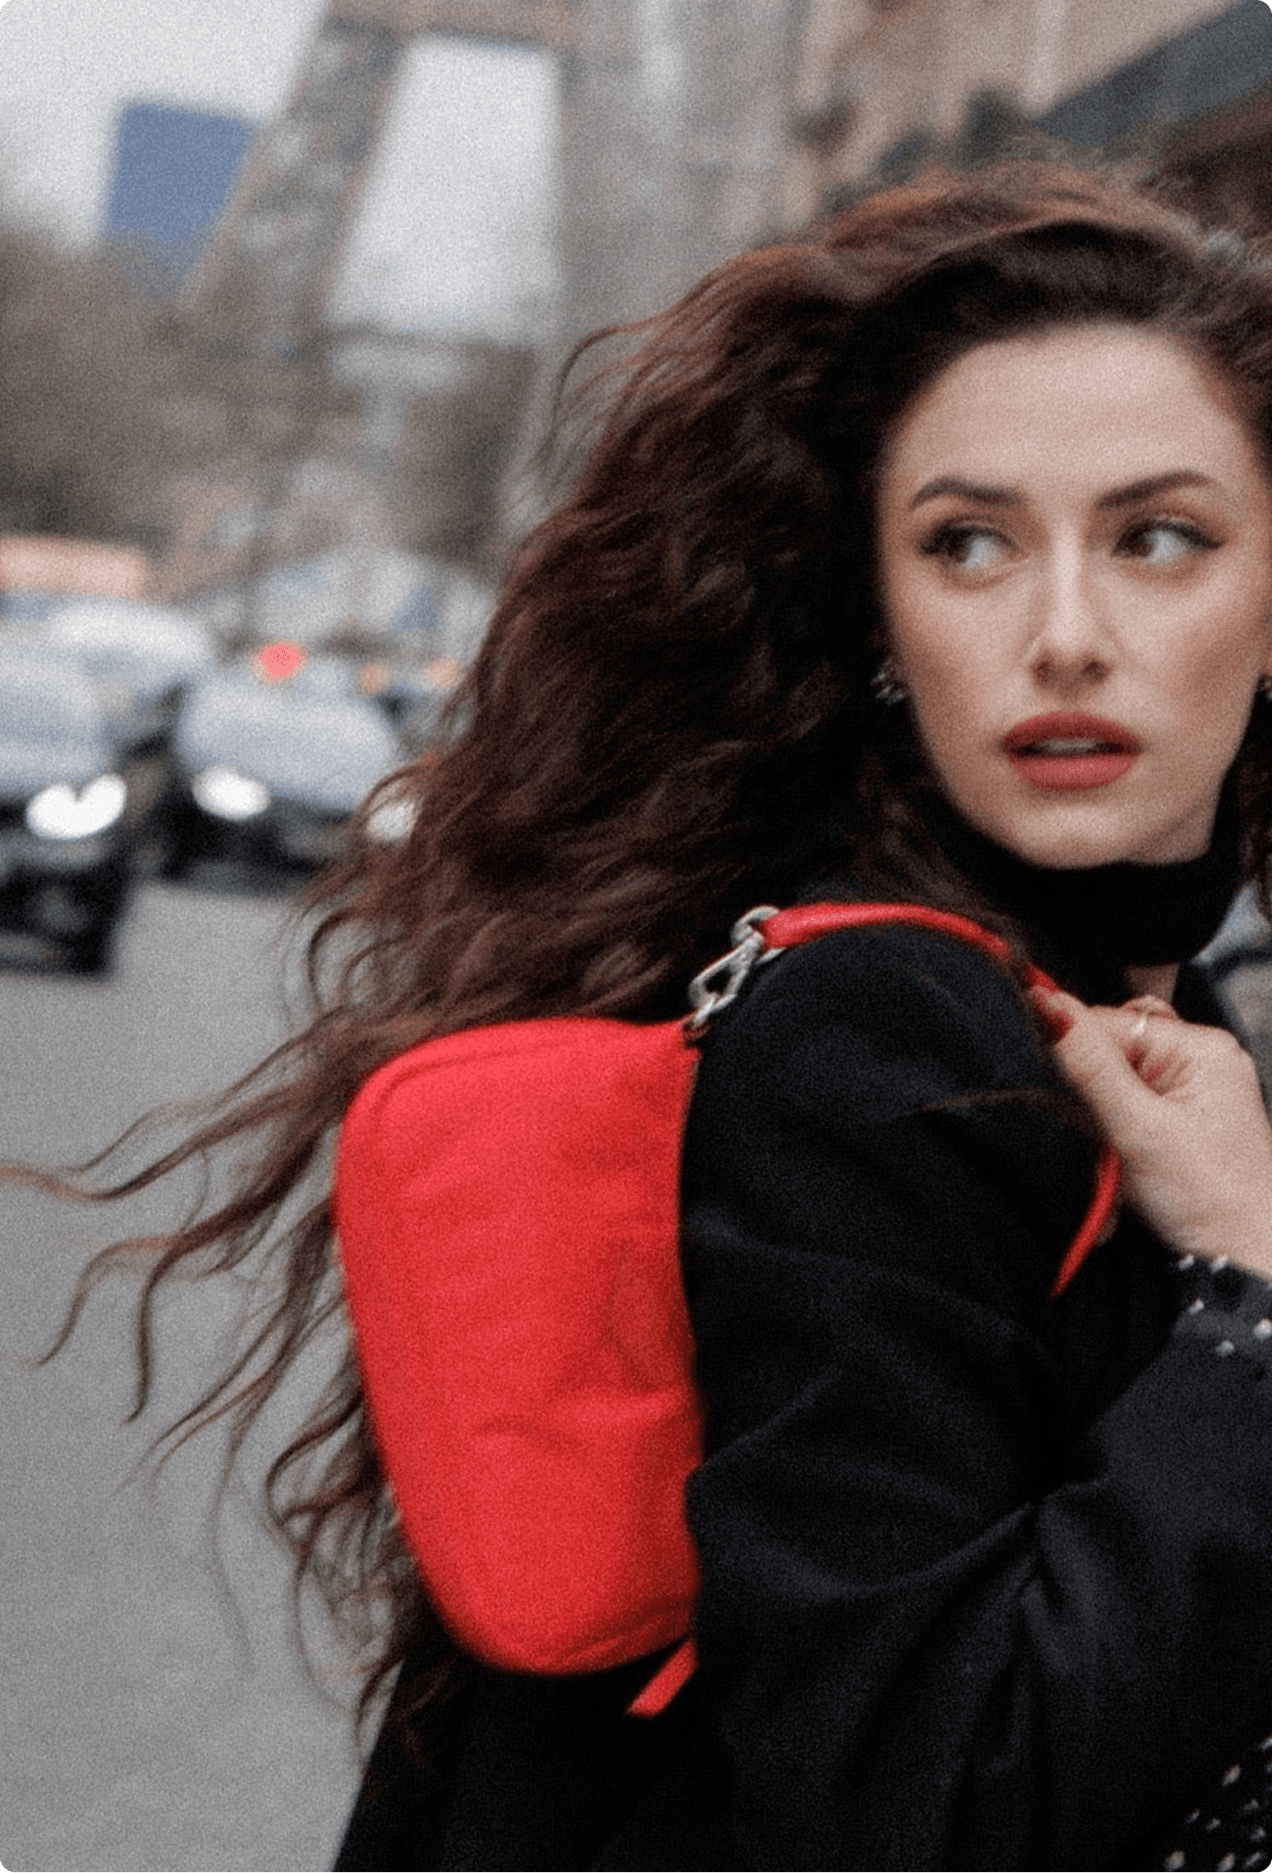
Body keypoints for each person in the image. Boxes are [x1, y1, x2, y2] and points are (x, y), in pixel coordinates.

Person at [21, 145, 1272, 1872]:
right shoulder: (889, 1029)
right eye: (970, 544)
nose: (1066, 633)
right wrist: (1258, 1313)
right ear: (885, 623)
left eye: (1160, 538)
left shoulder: (1147, 1006)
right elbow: (916, 1799)